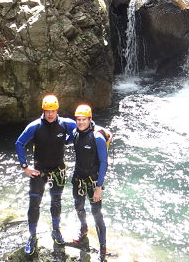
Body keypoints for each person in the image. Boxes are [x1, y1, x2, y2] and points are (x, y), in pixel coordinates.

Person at [15, 94, 77, 255]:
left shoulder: (65, 124)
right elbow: (19, 143)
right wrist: (25, 166)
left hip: (58, 171)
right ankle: (32, 236)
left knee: (56, 202)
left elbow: (86, 126)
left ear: (57, 110)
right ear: (43, 110)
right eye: (47, 111)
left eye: (53, 111)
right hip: (39, 172)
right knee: (34, 205)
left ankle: (56, 230)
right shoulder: (35, 126)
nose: (50, 114)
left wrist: (103, 133)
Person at [70, 104, 109, 261]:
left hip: (93, 182)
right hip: (78, 178)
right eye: (78, 120)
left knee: (97, 214)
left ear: (90, 119)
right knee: (79, 207)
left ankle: (103, 247)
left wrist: (99, 187)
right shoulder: (75, 133)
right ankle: (83, 229)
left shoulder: (97, 138)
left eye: (83, 120)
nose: (80, 123)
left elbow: (104, 163)